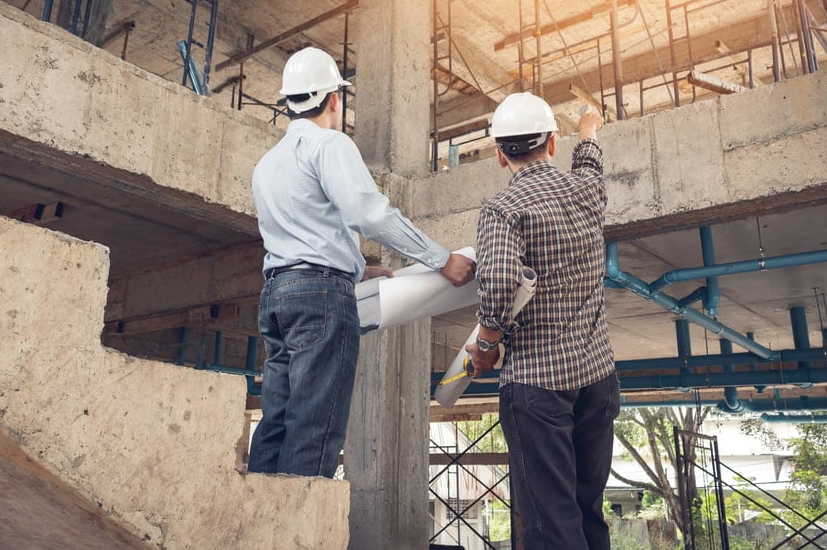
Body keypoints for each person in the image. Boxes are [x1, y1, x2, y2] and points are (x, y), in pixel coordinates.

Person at [248, 46, 476, 478]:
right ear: (334, 99)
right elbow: (368, 213)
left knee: (275, 423)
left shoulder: (267, 163)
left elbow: (304, 227)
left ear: (288, 102)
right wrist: (442, 259)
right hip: (319, 297)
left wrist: (354, 267)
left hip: (277, 296)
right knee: (314, 425)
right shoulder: (329, 144)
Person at [466, 92, 618, 549]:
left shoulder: (502, 210)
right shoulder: (587, 191)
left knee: (550, 524)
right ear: (552, 144)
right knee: (588, 511)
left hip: (537, 388)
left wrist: (487, 345)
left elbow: (499, 283)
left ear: (499, 155)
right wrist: (589, 127)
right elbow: (590, 161)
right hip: (597, 378)